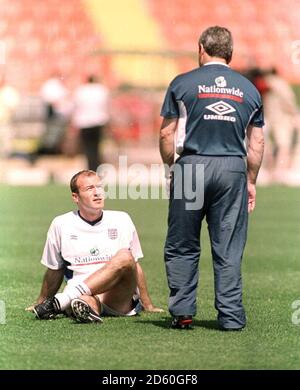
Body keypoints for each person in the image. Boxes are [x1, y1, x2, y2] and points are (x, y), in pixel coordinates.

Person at [159, 26, 264, 330]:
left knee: (183, 243)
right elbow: (256, 143)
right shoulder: (250, 89)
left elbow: (167, 132)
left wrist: (171, 167)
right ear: (230, 52)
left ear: (201, 49)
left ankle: (183, 313)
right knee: (228, 247)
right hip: (232, 169)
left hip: (191, 166)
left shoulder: (182, 83)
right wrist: (251, 180)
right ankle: (231, 317)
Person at [27, 170, 162, 322]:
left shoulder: (122, 219)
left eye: (99, 187)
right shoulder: (60, 224)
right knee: (85, 302)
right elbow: (55, 269)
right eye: (90, 188)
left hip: (117, 295)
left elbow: (134, 265)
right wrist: (40, 302)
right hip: (82, 296)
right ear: (75, 197)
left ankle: (62, 301)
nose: (97, 193)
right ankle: (87, 308)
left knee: (125, 256)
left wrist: (148, 305)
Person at [72, 75, 110, 171]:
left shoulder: (81, 90)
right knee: (96, 147)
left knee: (88, 147)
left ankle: (90, 167)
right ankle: (96, 167)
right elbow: (106, 106)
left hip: (84, 122)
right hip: (99, 121)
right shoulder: (102, 90)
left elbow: (76, 106)